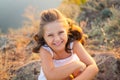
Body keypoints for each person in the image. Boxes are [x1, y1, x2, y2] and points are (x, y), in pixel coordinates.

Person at [33, 8, 99, 80]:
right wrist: (76, 64)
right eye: (50, 35)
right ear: (44, 37)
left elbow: (93, 66)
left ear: (67, 30)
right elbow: (51, 76)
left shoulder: (73, 44)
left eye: (61, 32)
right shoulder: (45, 50)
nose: (57, 39)